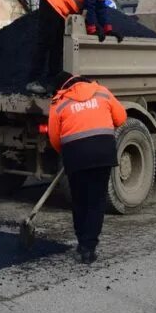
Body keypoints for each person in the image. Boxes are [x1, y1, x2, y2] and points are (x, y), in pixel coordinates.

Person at [48, 71, 127, 264]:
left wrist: (68, 151)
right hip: (103, 153)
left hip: (76, 156)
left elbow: (54, 138)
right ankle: (89, 248)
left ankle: (82, 242)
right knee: (96, 200)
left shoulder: (59, 103)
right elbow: (122, 118)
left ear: (63, 87)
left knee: (80, 200)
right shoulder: (102, 92)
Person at [26, 0, 127, 95]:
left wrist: (108, 29)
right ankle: (32, 81)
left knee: (57, 45)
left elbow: (101, 9)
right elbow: (89, 6)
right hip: (51, 2)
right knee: (45, 42)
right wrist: (92, 29)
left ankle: (53, 81)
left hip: (60, 8)